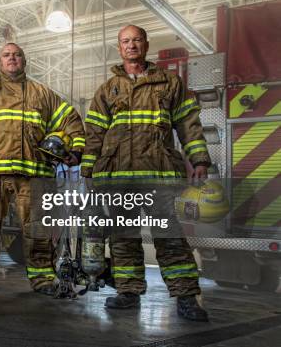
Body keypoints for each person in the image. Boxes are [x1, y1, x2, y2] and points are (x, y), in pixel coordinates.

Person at [81, 24, 210, 321]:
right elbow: (94, 133)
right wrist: (88, 169)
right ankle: (128, 291)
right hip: (117, 177)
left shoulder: (170, 83)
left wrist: (199, 159)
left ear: (146, 44)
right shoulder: (107, 90)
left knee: (169, 236)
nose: (131, 45)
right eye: (125, 41)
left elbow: (188, 124)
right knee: (123, 237)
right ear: (119, 47)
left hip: (158, 175)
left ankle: (187, 296)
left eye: (137, 40)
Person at [0, 43, 85, 295]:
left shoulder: (42, 94)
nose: (12, 59)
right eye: (7, 55)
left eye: (17, 55)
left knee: (38, 228)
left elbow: (71, 118)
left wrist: (75, 148)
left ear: (25, 60)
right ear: (0, 62)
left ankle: (42, 278)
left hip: (34, 174)